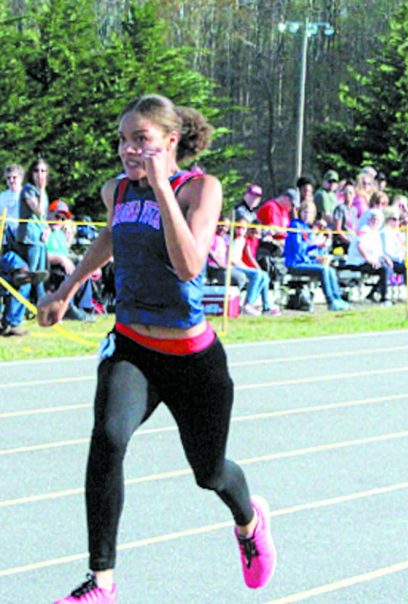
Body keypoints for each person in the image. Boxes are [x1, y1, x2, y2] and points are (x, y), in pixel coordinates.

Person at [37, 94, 277, 603]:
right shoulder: (117, 190)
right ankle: (101, 583)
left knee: (210, 473)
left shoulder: (200, 189)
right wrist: (67, 290)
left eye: (140, 139)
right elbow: (111, 236)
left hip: (193, 360)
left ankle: (250, 521)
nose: (128, 149)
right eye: (123, 140)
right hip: (133, 348)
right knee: (108, 438)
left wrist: (163, 187)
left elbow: (190, 265)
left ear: (170, 142)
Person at [284, 202, 350, 311]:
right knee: (323, 270)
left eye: (309, 213)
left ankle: (338, 298)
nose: (307, 215)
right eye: (305, 212)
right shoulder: (295, 225)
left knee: (330, 270)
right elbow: (299, 248)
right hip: (295, 263)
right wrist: (315, 244)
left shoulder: (307, 228)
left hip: (307, 262)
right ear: (300, 212)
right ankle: (330, 301)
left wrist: (320, 248)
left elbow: (311, 249)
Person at [17, 157, 51, 303]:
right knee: (28, 277)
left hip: (40, 239)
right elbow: (39, 211)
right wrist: (42, 189)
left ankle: (42, 307)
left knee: (40, 277)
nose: (40, 174)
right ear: (32, 173)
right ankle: (14, 315)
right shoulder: (28, 190)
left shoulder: (43, 193)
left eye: (43, 171)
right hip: (29, 238)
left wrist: (47, 229)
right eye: (36, 171)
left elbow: (44, 219)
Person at [231, 220, 281, 316]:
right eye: (253, 231)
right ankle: (248, 304)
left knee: (265, 277)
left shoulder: (255, 240)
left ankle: (266, 306)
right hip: (241, 266)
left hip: (244, 267)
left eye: (257, 232)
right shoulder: (245, 240)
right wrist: (258, 268)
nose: (255, 234)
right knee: (259, 274)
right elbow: (249, 257)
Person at [0, 163, 24, 248]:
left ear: (21, 178)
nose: (11, 180)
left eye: (14, 177)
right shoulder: (2, 196)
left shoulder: (27, 194)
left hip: (24, 238)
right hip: (6, 240)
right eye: (8, 178)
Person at [331, 180, 358, 253]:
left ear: (354, 195)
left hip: (352, 239)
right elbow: (337, 229)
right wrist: (348, 241)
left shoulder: (354, 210)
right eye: (346, 193)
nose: (348, 195)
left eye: (350, 193)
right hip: (342, 242)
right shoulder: (340, 208)